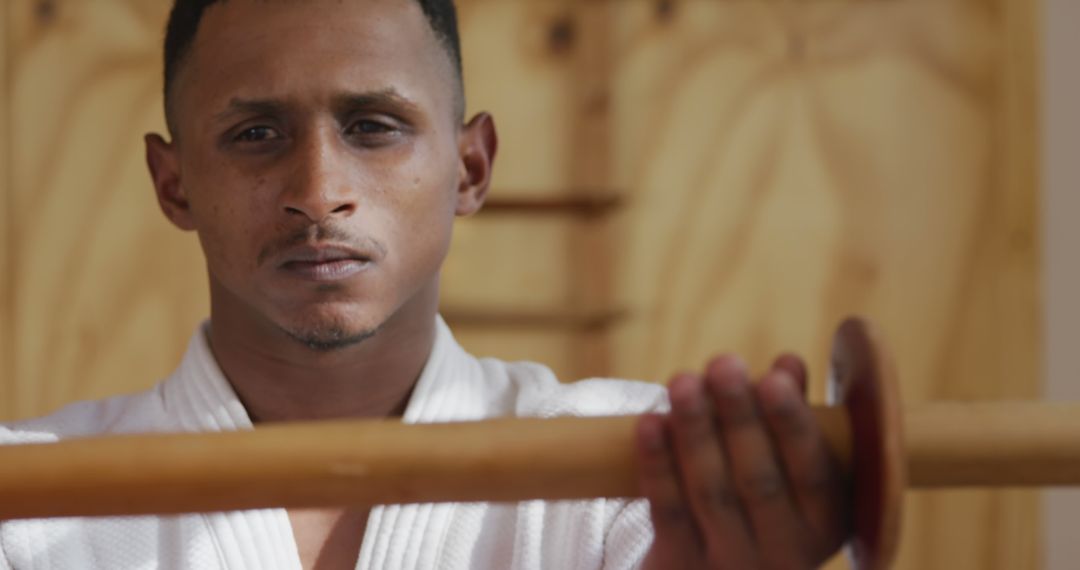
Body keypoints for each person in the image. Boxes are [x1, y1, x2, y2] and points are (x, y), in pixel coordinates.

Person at [0, 0, 849, 568]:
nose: (317, 188)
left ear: (470, 167)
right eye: (256, 132)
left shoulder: (637, 481)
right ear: (174, 183)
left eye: (373, 126)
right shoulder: (30, 505)